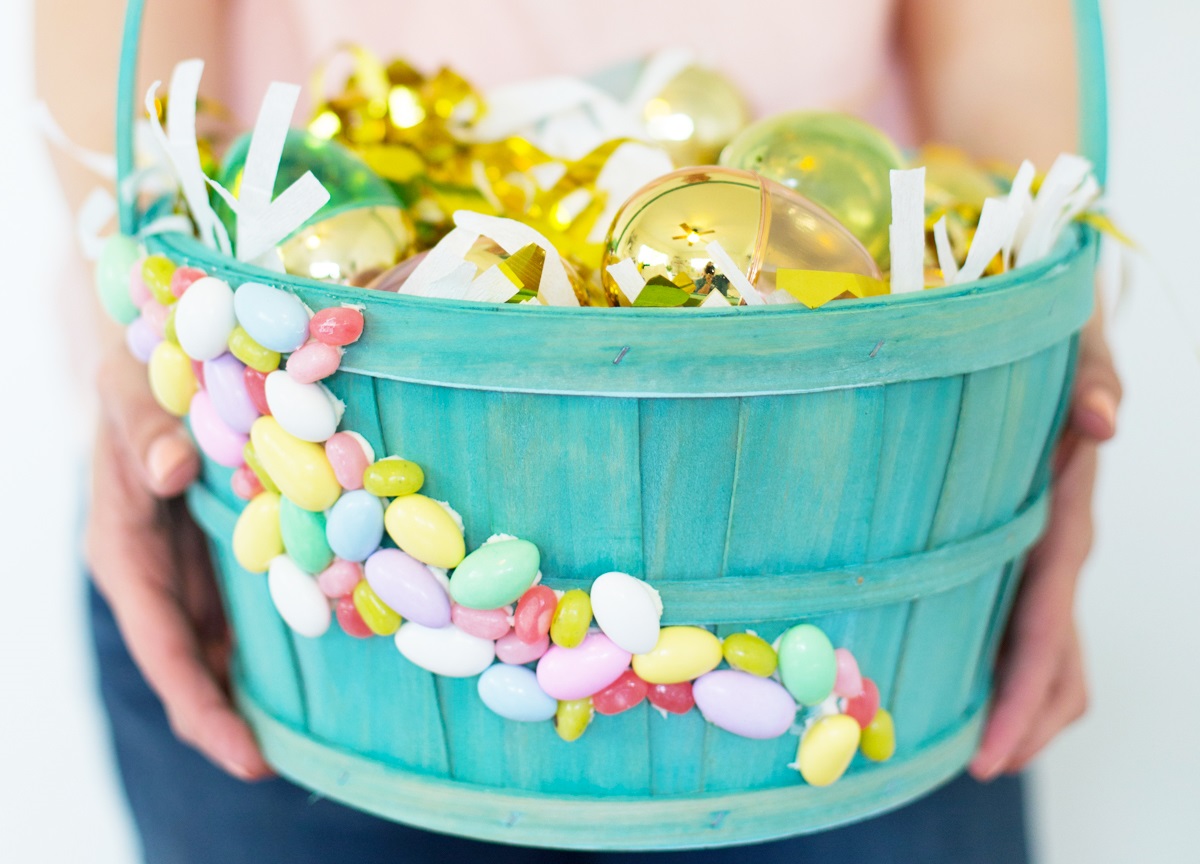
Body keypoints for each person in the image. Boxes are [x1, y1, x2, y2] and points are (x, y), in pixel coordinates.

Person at [37, 0, 1122, 861]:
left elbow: (999, 38)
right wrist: (132, 341)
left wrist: (1041, 349)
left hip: (860, 468)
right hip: (289, 507)